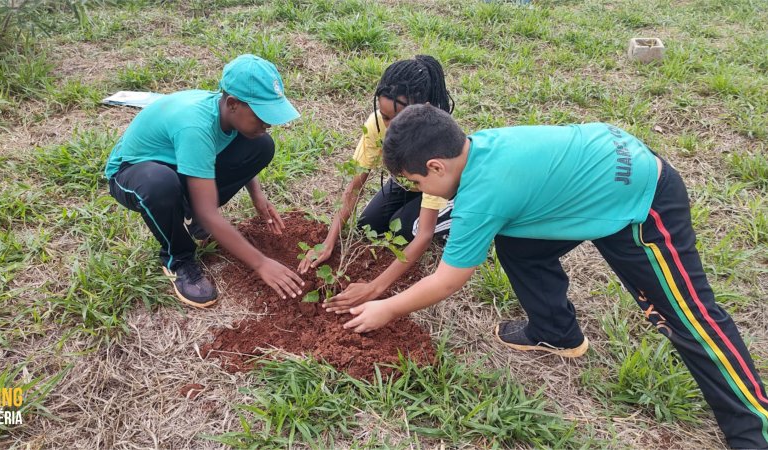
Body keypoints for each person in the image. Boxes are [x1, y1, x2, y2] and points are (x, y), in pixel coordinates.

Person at [337, 104, 768, 449]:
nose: (418, 190)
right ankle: (556, 331)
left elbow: (449, 279)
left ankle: (756, 428)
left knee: (690, 318)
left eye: (416, 181)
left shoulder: (483, 195)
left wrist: (386, 308)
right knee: (519, 241)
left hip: (641, 197)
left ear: (435, 165)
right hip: (599, 168)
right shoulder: (480, 148)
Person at [104, 54, 305, 308]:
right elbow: (208, 212)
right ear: (232, 103)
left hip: (178, 162)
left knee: (261, 145)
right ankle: (178, 258)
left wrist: (258, 196)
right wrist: (261, 263)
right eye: (261, 114)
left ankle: (191, 219)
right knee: (161, 185)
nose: (268, 122)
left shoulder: (225, 113)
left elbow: (231, 149)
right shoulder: (196, 127)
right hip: (133, 172)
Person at [298, 55, 455, 307]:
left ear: (422, 109)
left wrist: (374, 288)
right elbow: (355, 186)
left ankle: (453, 218)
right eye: (385, 116)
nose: (390, 126)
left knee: (405, 230)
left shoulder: (436, 145)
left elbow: (424, 235)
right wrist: (328, 243)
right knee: (368, 225)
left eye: (399, 118)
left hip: (442, 189)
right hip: (408, 183)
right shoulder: (376, 126)